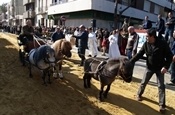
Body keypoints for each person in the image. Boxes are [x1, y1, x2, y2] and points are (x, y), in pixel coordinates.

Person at [130, 28, 173, 113]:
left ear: (152, 36)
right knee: (143, 82)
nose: (146, 38)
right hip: (149, 67)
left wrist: (166, 67)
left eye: (147, 37)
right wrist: (131, 61)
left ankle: (162, 105)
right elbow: (140, 54)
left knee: (161, 86)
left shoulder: (163, 44)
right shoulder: (146, 44)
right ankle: (139, 94)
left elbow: (169, 56)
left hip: (160, 68)